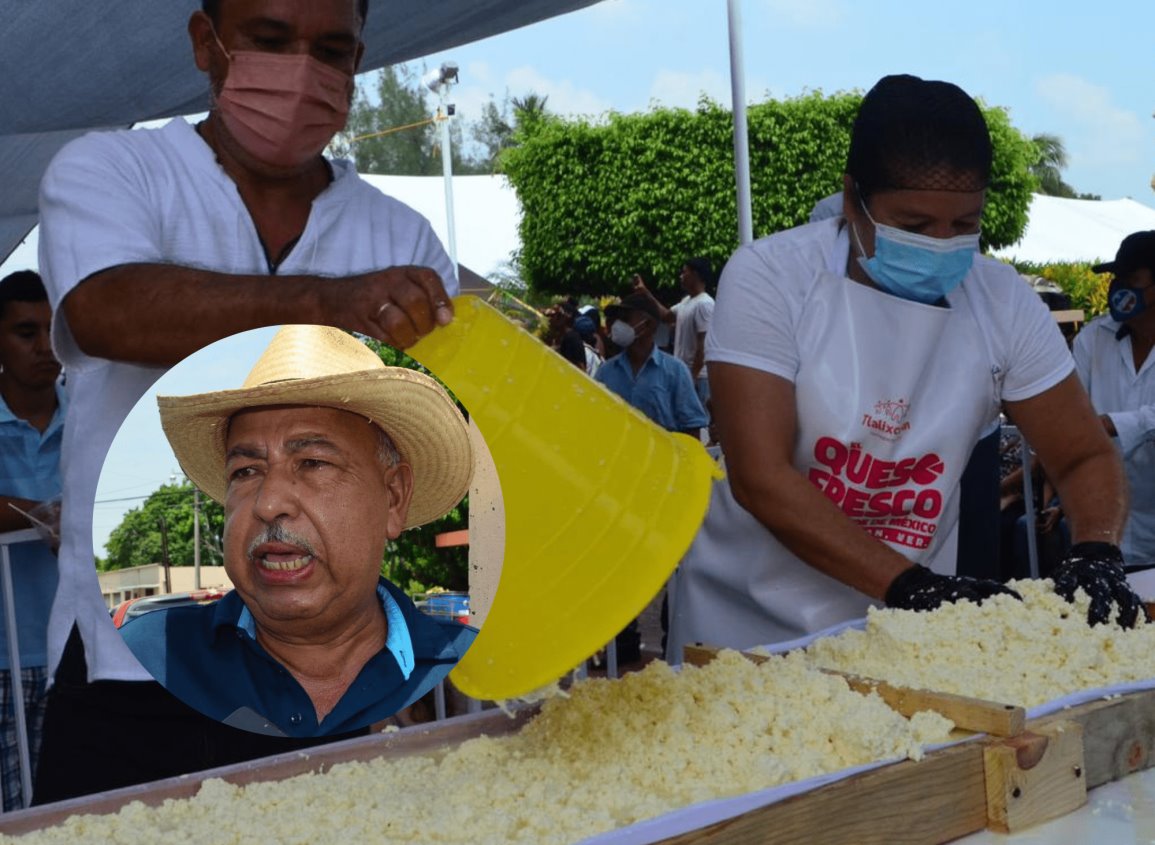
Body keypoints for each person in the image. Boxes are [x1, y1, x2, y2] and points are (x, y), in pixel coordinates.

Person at [34, 0, 458, 802]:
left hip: (328, 668)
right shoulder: (114, 171)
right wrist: (333, 306)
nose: (301, 71)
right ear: (207, 42)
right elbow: (105, 308)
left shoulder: (400, 237)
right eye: (269, 39)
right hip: (134, 662)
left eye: (330, 50)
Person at [671, 74, 1141, 656]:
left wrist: (1096, 552)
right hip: (749, 628)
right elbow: (761, 476)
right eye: (915, 227)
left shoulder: (1002, 300)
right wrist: (913, 587)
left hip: (900, 639)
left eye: (965, 225)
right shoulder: (771, 277)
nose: (943, 244)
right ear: (853, 201)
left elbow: (1082, 453)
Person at [119, 325, 475, 738]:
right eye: (246, 471)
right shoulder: (146, 656)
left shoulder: (468, 672)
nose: (269, 504)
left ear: (393, 498)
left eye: (313, 463)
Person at [0, 271, 64, 810]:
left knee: (74, 809)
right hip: (3, 657)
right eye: (27, 332)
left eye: (54, 330)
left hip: (78, 650)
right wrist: (45, 516)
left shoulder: (89, 415)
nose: (46, 348)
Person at [1073, 231, 1155, 568]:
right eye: (1115, 278)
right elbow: (1070, 412)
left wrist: (1111, 423)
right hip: (1104, 532)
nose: (1117, 288)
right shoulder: (1094, 338)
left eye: (1130, 279)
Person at [595, 293, 708, 438]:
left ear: (648, 325)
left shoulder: (675, 371)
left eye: (625, 319)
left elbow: (692, 430)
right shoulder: (605, 372)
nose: (617, 325)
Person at [633, 258, 716, 406]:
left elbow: (703, 346)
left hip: (698, 378)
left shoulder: (705, 304)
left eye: (684, 272)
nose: (681, 276)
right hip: (686, 375)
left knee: (698, 422)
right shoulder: (687, 302)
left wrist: (692, 378)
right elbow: (666, 316)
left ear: (695, 275)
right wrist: (645, 293)